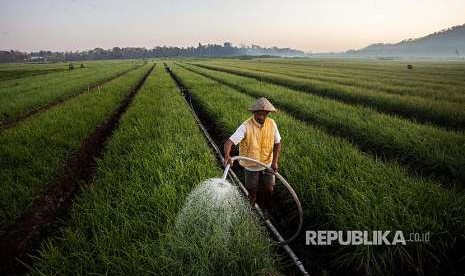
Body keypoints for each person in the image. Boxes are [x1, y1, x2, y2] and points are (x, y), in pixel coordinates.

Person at [223, 97, 282, 213]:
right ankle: (251, 209)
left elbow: (278, 143)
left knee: (269, 189)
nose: (261, 117)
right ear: (254, 113)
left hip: (267, 164)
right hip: (250, 165)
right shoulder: (246, 126)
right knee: (252, 190)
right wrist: (227, 155)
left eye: (264, 114)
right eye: (258, 114)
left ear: (268, 114)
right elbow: (229, 142)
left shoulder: (272, 124)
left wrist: (275, 162)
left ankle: (267, 209)